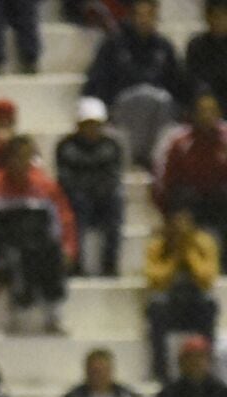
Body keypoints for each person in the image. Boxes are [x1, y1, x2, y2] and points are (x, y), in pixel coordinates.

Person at [0, 135, 77, 332]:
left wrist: (68, 248)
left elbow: (63, 220)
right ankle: (19, 312)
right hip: (3, 248)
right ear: (8, 159)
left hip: (38, 245)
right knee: (17, 256)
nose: (21, 162)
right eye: (17, 157)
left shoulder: (46, 187)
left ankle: (53, 315)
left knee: (52, 253)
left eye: (26, 157)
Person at [83, 0, 184, 166]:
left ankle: (155, 158)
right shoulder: (114, 44)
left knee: (163, 101)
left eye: (149, 15)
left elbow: (178, 83)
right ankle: (132, 156)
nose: (144, 20)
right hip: (122, 108)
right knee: (141, 97)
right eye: (140, 15)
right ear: (131, 16)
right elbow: (97, 80)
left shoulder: (164, 47)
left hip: (158, 111)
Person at [144, 207, 220, 381]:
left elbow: (206, 279)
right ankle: (160, 372)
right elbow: (155, 280)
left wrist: (189, 253)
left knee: (209, 306)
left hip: (195, 305)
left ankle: (207, 367)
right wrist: (175, 257)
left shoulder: (204, 243)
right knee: (155, 309)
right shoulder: (157, 245)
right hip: (170, 307)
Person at [56, 97, 126, 277]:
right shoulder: (65, 147)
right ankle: (76, 263)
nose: (92, 129)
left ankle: (110, 264)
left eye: (95, 124)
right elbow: (66, 179)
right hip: (78, 201)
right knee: (77, 203)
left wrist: (96, 189)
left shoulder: (112, 146)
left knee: (116, 201)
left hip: (103, 199)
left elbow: (113, 177)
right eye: (88, 124)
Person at [152, 92, 227, 245]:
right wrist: (166, 210)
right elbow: (165, 179)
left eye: (211, 110)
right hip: (189, 199)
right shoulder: (179, 140)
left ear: (219, 112)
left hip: (218, 197)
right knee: (183, 198)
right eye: (202, 110)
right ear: (193, 114)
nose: (207, 115)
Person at [187, 0, 227, 117]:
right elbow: (193, 78)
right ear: (208, 18)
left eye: (224, 16)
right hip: (206, 99)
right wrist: (206, 96)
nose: (220, 21)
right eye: (216, 16)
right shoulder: (196, 45)